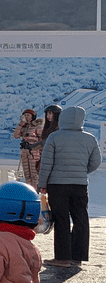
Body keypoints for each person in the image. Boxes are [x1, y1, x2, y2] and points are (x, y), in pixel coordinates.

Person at [37, 105, 101, 268]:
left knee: (61, 219)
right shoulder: (90, 138)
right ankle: (78, 257)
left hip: (57, 185)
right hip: (79, 185)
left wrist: (42, 184)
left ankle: (62, 258)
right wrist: (81, 171)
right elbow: (96, 162)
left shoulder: (54, 137)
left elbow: (46, 164)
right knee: (80, 219)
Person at [12, 109, 43, 190]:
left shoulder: (37, 126)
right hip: (25, 152)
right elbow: (15, 135)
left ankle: (35, 191)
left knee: (34, 173)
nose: (26, 117)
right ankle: (29, 190)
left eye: (28, 115)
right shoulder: (24, 127)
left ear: (33, 117)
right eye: (25, 115)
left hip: (33, 152)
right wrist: (21, 123)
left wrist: (36, 146)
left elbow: (42, 138)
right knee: (27, 173)